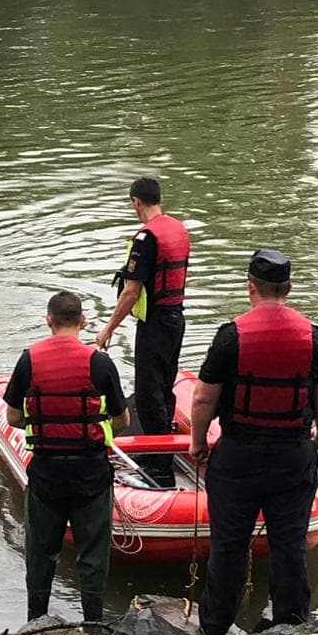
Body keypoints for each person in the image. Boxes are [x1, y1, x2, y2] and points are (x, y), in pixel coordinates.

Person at [188, 248, 318, 635]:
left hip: (238, 456)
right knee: (289, 545)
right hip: (293, 455)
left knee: (229, 546)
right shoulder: (314, 338)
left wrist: (198, 442)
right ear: (287, 288)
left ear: (250, 286)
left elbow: (203, 397)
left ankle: (216, 629)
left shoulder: (230, 336)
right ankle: (291, 626)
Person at [4, 290, 130, 623]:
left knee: (41, 553)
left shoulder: (28, 360)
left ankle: (35, 622)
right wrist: (96, 432)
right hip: (91, 474)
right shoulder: (99, 363)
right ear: (83, 322)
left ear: (49, 321)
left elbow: (13, 417)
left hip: (46, 474)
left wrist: (47, 424)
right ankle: (93, 624)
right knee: (93, 555)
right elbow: (123, 419)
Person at [94, 176, 191, 438]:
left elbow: (131, 292)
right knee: (165, 385)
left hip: (155, 324)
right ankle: (167, 439)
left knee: (148, 392)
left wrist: (108, 329)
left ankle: (157, 459)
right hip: (176, 320)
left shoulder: (146, 238)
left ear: (137, 202)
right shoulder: (179, 229)